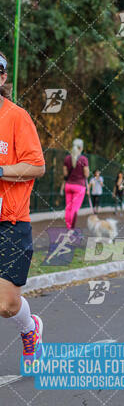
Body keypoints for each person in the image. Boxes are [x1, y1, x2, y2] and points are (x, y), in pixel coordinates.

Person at [0, 51, 46, 363]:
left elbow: (37, 165)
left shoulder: (16, 116)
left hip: (12, 222)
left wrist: (1, 170)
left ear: (2, 77)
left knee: (6, 305)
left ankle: (29, 328)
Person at [61, 139, 89, 229]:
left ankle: (68, 226)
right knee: (75, 209)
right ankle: (71, 228)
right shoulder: (83, 159)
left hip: (68, 185)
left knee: (68, 207)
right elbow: (86, 174)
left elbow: (65, 174)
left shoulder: (67, 158)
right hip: (79, 186)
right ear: (81, 148)